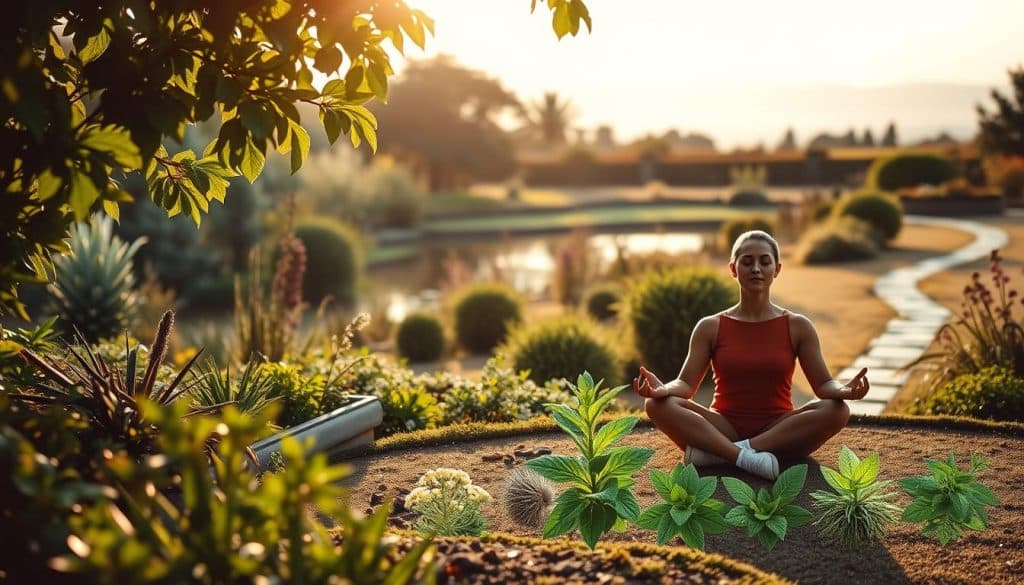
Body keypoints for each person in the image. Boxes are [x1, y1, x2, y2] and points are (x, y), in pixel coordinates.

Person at [633, 230, 870, 480]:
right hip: (721, 427)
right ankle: (744, 456)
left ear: (776, 269)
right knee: (656, 405)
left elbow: (823, 385)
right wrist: (664, 389)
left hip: (779, 429)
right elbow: (685, 384)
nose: (756, 268)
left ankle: (724, 454)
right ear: (733, 268)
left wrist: (843, 390)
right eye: (747, 262)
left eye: (764, 261)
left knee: (837, 410)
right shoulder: (710, 327)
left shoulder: (798, 326)